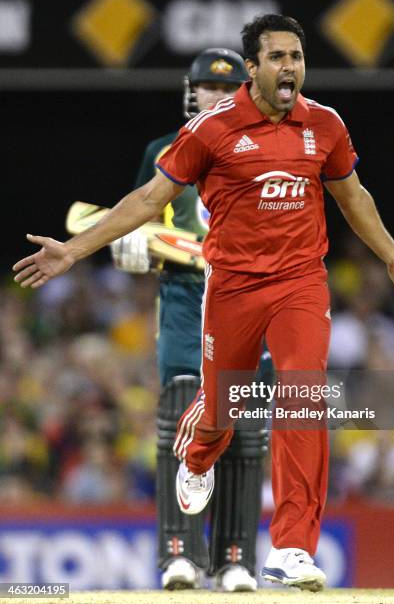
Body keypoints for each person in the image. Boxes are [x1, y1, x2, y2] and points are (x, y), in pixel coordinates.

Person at [13, 14, 394, 592]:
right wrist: (75, 252)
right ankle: (198, 457)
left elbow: (352, 196)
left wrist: (388, 254)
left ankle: (291, 548)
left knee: (303, 393)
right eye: (277, 57)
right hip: (230, 286)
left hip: (301, 283)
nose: (290, 67)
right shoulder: (213, 128)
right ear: (251, 69)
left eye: (297, 57)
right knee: (220, 411)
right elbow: (150, 198)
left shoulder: (325, 125)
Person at [110, 48, 268, 592]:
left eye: (229, 89)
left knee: (243, 427)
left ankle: (235, 561)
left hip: (250, 299)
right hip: (185, 300)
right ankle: (179, 554)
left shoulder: (269, 148)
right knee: (182, 407)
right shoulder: (165, 149)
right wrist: (130, 248)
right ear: (191, 92)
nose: (219, 97)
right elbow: (139, 221)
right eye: (208, 88)